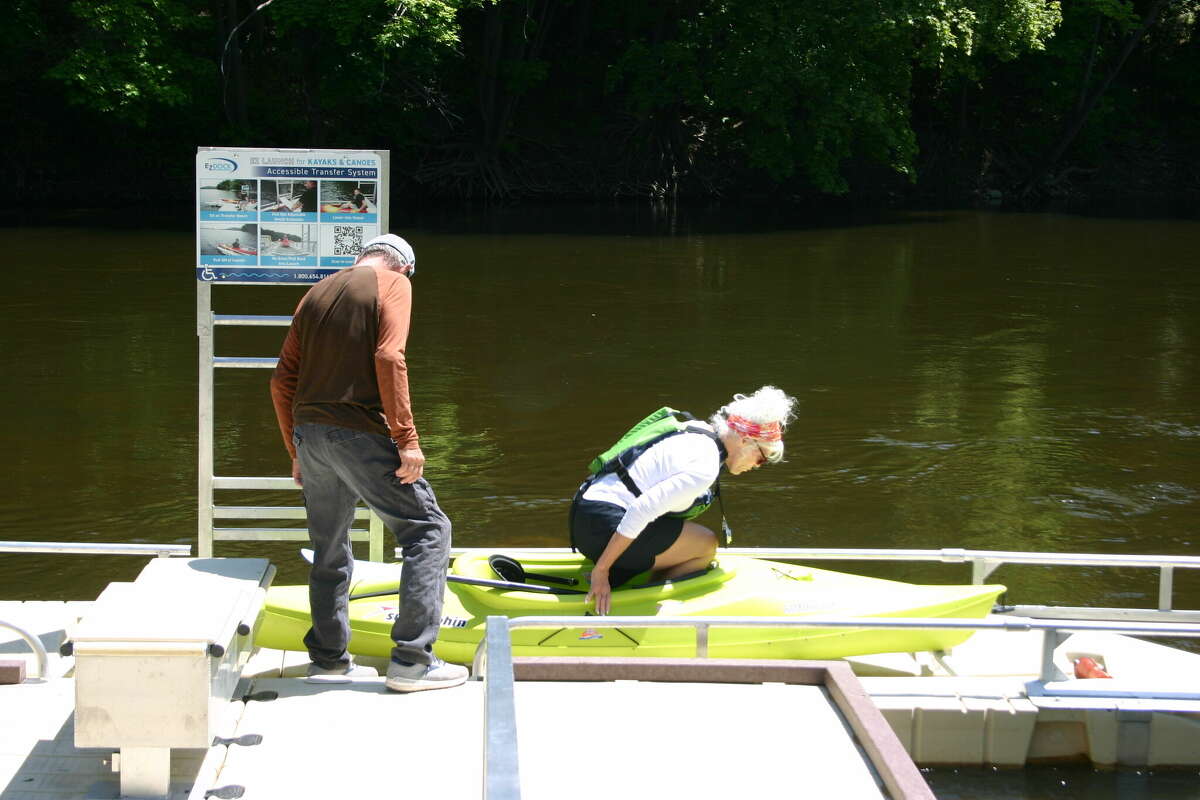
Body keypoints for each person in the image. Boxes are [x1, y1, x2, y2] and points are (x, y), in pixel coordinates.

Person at [269, 233, 466, 692]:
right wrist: (407, 439)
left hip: (310, 434)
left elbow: (281, 380)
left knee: (329, 546)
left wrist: (295, 450)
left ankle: (329, 658)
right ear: (402, 266)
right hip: (357, 431)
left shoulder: (316, 292)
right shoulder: (394, 283)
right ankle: (413, 662)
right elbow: (389, 355)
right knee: (428, 530)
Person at [570, 386, 796, 615]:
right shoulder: (704, 467)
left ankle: (626, 575)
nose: (756, 466)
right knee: (705, 545)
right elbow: (640, 510)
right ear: (746, 441)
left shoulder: (696, 430)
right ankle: (643, 601)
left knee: (686, 532)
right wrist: (602, 570)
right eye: (761, 459)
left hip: (584, 515)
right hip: (601, 529)